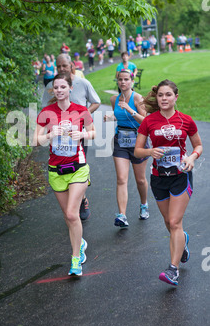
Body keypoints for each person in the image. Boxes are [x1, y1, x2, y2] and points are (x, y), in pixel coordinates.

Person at [134, 79, 203, 286]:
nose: (164, 98)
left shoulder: (186, 120)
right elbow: (137, 150)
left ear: (176, 97)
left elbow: (198, 145)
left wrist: (191, 158)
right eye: (161, 95)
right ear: (157, 97)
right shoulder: (149, 121)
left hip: (181, 176)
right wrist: (149, 151)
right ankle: (182, 241)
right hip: (158, 178)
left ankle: (173, 270)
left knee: (174, 222)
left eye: (168, 95)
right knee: (169, 223)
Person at [34, 73, 96, 276]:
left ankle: (76, 259)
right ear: (53, 90)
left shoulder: (81, 110)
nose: (59, 90)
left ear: (70, 88)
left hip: (78, 168)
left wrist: (83, 134)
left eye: (63, 87)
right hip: (56, 170)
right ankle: (81, 241)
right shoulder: (46, 113)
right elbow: (35, 141)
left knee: (72, 213)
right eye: (56, 87)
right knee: (68, 218)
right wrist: (50, 135)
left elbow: (93, 132)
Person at [42, 54, 101, 221]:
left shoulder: (82, 83)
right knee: (62, 163)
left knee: (77, 166)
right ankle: (75, 201)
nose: (61, 69)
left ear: (72, 66)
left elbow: (96, 101)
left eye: (64, 66)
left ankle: (80, 200)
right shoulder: (50, 86)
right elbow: (44, 107)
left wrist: (82, 117)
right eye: (59, 66)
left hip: (78, 134)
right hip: (58, 135)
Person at [104, 69, 149, 228]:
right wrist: (111, 117)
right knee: (121, 179)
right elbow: (119, 115)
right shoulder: (114, 99)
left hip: (138, 141)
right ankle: (122, 215)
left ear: (132, 81)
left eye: (126, 79)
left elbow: (145, 122)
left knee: (140, 179)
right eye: (120, 79)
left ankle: (144, 204)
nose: (122, 82)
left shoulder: (138, 98)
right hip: (121, 141)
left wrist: (130, 109)